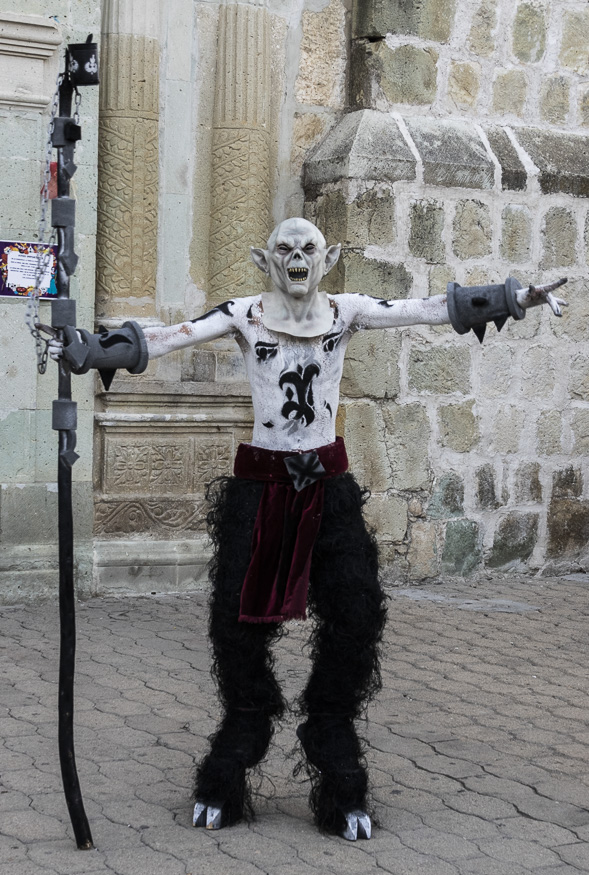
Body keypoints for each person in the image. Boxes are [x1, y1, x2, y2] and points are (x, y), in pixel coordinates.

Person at [49, 217, 566, 840]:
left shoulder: (347, 310)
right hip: (261, 491)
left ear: (330, 258)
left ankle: (331, 734)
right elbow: (167, 338)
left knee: (354, 616)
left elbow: (425, 309)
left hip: (328, 490)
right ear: (265, 259)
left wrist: (514, 297)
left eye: (309, 250)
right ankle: (242, 733)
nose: (297, 259)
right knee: (238, 627)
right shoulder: (244, 313)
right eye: (286, 250)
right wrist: (86, 348)